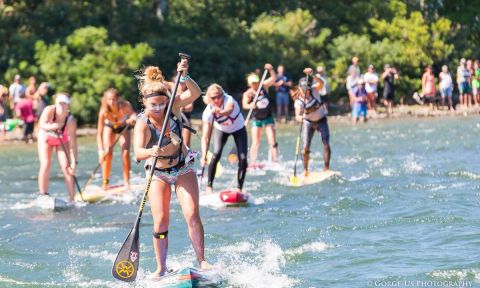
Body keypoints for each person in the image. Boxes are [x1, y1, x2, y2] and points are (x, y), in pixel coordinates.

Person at [133, 62, 211, 278]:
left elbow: (195, 93)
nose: (158, 109)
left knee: (192, 214)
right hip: (157, 174)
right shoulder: (142, 123)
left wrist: (185, 76)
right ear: (144, 103)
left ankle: (202, 260)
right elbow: (137, 153)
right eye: (153, 105)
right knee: (160, 221)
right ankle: (161, 267)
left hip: (182, 168)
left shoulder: (173, 107)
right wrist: (151, 151)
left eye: (161, 104)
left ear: (166, 100)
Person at [201, 84, 248, 194]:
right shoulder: (207, 113)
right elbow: (205, 137)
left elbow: (229, 110)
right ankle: (209, 187)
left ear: (223, 95)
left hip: (238, 129)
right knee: (216, 154)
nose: (217, 100)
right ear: (209, 98)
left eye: (219, 96)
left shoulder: (229, 99)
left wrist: (219, 112)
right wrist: (204, 155)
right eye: (213, 98)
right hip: (221, 130)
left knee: (243, 158)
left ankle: (239, 188)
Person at [37, 93, 77, 202]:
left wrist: (74, 161)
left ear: (68, 106)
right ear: (56, 103)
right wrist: (52, 126)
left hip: (61, 140)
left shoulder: (71, 120)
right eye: (60, 103)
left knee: (66, 167)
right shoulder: (49, 110)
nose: (62, 106)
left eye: (65, 104)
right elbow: (41, 124)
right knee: (45, 163)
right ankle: (43, 194)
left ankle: (72, 199)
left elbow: (73, 143)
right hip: (46, 138)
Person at [293, 68, 331, 176]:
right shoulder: (298, 102)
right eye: (304, 89)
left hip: (321, 120)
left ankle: (326, 168)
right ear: (300, 88)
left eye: (308, 89)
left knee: (326, 144)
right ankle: (305, 170)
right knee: (305, 147)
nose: (307, 91)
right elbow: (297, 115)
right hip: (308, 122)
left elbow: (321, 83)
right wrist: (299, 118)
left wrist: (312, 74)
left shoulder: (315, 90)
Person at [96, 88, 136, 189]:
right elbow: (99, 133)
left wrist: (132, 119)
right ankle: (105, 182)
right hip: (109, 127)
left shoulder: (125, 105)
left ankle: (127, 182)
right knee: (107, 152)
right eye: (109, 99)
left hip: (123, 127)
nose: (111, 102)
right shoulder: (103, 111)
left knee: (126, 152)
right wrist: (100, 150)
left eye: (113, 99)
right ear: (106, 100)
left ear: (118, 99)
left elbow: (133, 115)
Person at [242, 63, 279, 164]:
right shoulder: (248, 93)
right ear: (249, 84)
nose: (255, 84)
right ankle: (252, 162)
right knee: (256, 141)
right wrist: (251, 106)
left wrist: (271, 69)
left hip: (268, 117)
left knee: (272, 141)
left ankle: (275, 161)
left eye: (256, 82)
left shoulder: (264, 86)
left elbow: (273, 78)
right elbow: (244, 105)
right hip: (256, 119)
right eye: (253, 83)